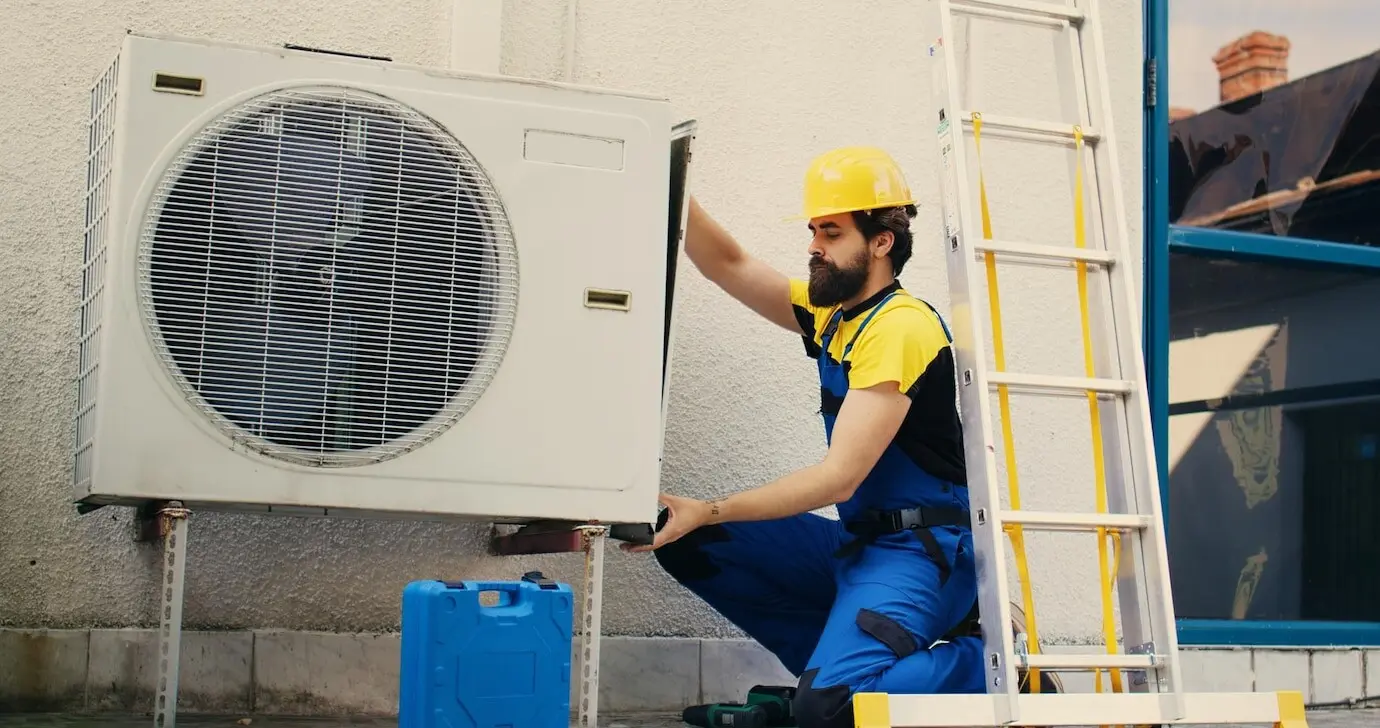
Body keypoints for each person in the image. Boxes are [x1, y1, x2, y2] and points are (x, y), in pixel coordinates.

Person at [623, 146, 1059, 728]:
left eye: (831, 232)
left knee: (834, 709)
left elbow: (839, 476)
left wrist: (711, 506)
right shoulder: (833, 312)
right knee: (690, 543)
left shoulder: (901, 326)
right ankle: (825, 687)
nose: (814, 246)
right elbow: (727, 264)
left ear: (882, 241)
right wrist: (668, 177)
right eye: (813, 231)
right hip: (857, 545)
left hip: (923, 554)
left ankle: (1000, 668)